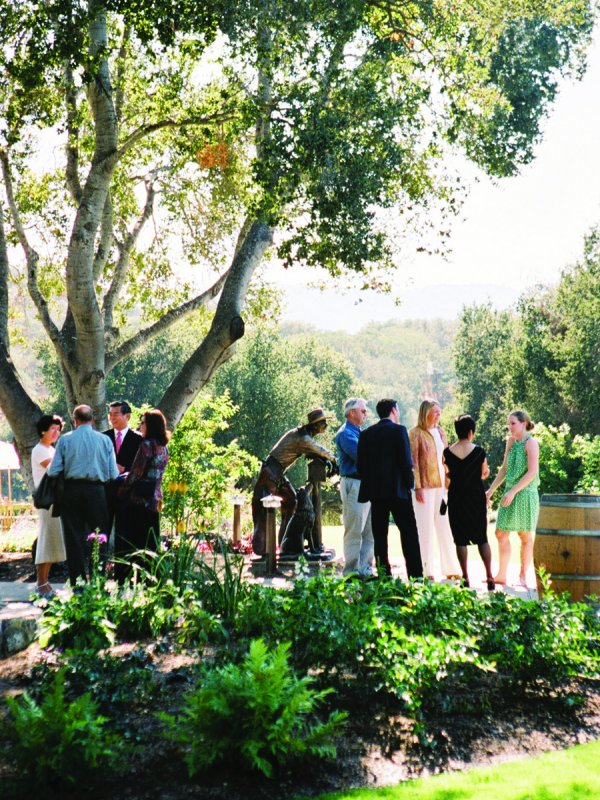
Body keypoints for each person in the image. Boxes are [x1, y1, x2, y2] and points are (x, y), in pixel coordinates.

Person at [47, 404, 119, 585]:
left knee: (73, 537)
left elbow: (53, 471)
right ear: (93, 419)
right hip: (97, 492)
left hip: (71, 491)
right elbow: (113, 474)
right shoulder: (104, 440)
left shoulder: (65, 440)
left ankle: (78, 583)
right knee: (99, 536)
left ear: (75, 420)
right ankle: (98, 581)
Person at [251, 409, 337, 556]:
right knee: (265, 512)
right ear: (315, 425)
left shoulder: (301, 434)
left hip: (277, 473)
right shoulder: (303, 438)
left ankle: (285, 544)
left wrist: (324, 459)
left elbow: (313, 451)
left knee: (291, 501)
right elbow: (319, 449)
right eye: (323, 422)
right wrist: (334, 459)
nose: (326, 425)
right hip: (270, 474)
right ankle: (265, 551)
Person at [356, 399, 423, 579]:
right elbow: (406, 461)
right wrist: (410, 485)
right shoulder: (399, 430)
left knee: (380, 535)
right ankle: (416, 576)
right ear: (394, 410)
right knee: (409, 533)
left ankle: (384, 575)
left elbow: (360, 465)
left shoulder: (367, 434)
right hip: (398, 490)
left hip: (376, 492)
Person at [486, 410, 540, 588]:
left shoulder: (531, 443)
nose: (509, 427)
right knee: (500, 533)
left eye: (513, 423)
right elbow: (504, 469)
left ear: (524, 423)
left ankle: (523, 575)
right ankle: (501, 574)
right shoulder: (510, 441)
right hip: (510, 491)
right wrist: (491, 491)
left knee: (524, 535)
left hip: (524, 493)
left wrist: (514, 491)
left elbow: (532, 473)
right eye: (508, 423)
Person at [409, 400, 461, 580]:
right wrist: (417, 487)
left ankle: (450, 568)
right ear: (426, 413)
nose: (439, 415)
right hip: (424, 487)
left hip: (441, 487)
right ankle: (426, 570)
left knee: (444, 526)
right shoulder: (415, 433)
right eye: (435, 412)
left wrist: (450, 481)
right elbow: (413, 463)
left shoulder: (440, 432)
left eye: (440, 411)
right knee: (424, 529)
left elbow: (445, 459)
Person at [117, 409, 169, 581]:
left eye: (143, 422)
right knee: (151, 542)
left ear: (150, 425)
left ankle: (134, 578)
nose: (140, 426)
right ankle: (152, 577)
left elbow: (136, 473)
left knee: (135, 542)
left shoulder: (147, 445)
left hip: (140, 500)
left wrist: (122, 489)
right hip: (155, 498)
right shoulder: (163, 447)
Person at [443, 414, 494, 591]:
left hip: (457, 497)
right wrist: (483, 473)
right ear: (471, 432)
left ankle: (465, 577)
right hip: (475, 497)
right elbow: (483, 472)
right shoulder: (479, 451)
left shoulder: (447, 452)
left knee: (460, 539)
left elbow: (448, 475)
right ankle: (489, 576)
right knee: (482, 538)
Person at [335, 397, 374, 577]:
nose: (366, 414)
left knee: (369, 531)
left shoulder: (359, 432)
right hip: (354, 483)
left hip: (365, 483)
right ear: (351, 413)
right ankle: (351, 572)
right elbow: (364, 456)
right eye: (363, 411)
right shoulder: (345, 434)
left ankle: (365, 569)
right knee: (354, 529)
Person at [30, 414, 67, 598]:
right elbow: (56, 469)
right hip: (47, 502)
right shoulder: (40, 450)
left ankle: (45, 582)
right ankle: (41, 582)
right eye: (52, 428)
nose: (56, 433)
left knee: (52, 541)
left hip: (55, 501)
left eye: (58, 429)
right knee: (46, 540)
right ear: (43, 430)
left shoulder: (51, 449)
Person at [103, 400, 142, 562]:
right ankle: (99, 574)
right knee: (101, 534)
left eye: (116, 414)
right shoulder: (103, 438)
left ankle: (122, 575)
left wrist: (124, 469)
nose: (112, 417)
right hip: (105, 492)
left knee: (124, 534)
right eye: (110, 414)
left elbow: (140, 467)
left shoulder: (138, 439)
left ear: (127, 416)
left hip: (127, 493)